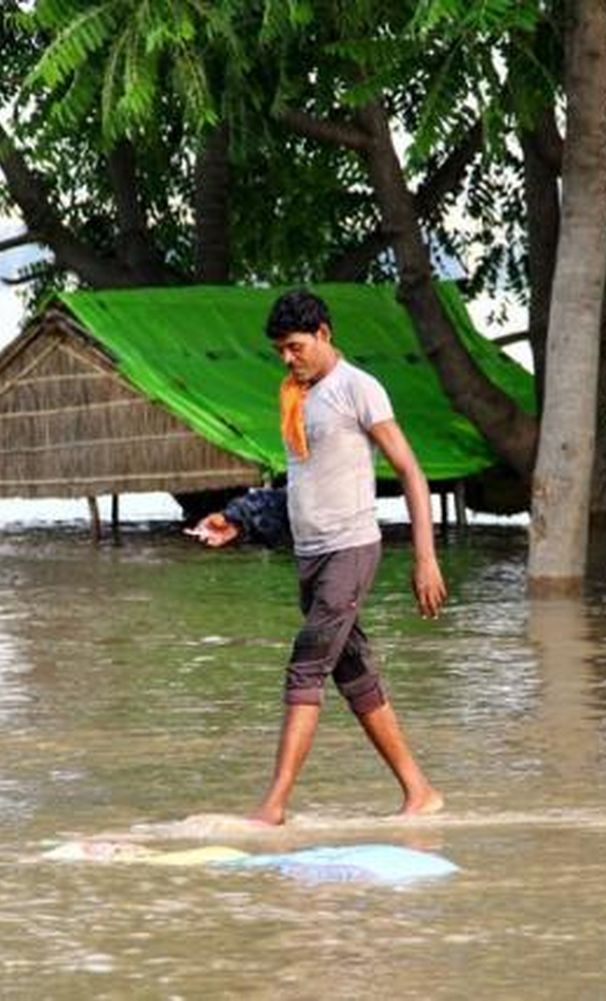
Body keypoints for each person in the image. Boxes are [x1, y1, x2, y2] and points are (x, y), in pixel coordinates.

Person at [191, 289, 447, 825]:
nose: (288, 358)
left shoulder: (359, 389)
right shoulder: (296, 397)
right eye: (281, 351)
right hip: (310, 556)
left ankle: (274, 806)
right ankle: (420, 793)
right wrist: (237, 520)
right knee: (355, 676)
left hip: (350, 550)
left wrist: (426, 558)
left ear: (324, 335)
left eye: (295, 347)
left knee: (305, 668)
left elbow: (411, 471)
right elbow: (298, 489)